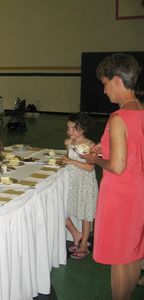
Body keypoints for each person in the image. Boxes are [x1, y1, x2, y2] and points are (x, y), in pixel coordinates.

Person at [84, 53, 144, 300]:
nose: (105, 91)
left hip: (119, 196)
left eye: (105, 84)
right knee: (133, 252)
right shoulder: (140, 109)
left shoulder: (118, 117)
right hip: (137, 191)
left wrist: (95, 159)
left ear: (117, 81)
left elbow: (118, 166)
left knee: (119, 258)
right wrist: (104, 146)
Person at [62, 113, 98, 259]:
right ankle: (76, 234)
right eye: (68, 128)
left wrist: (70, 161)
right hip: (73, 182)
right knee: (63, 209)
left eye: (72, 129)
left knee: (85, 214)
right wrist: (70, 143)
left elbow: (90, 167)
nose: (69, 131)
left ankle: (84, 245)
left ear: (82, 130)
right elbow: (68, 157)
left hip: (85, 183)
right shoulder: (69, 143)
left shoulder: (90, 145)